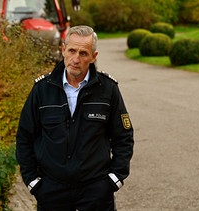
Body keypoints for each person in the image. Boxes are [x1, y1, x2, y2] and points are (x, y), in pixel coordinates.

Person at [16, 25, 134, 211]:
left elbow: (123, 137)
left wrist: (114, 179)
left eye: (83, 53)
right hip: (52, 191)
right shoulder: (42, 90)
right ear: (63, 50)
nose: (76, 59)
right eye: (71, 50)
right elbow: (24, 137)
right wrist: (33, 182)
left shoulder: (108, 89)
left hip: (96, 192)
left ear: (93, 57)